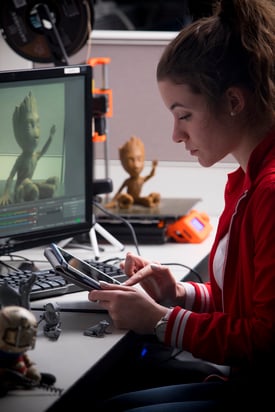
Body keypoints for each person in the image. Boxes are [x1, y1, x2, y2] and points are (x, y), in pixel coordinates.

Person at [88, 0, 275, 410]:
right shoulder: (246, 180)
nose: (175, 135)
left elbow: (262, 339)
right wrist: (178, 293)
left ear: (234, 102)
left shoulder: (269, 193)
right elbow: (246, 305)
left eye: (184, 115)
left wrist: (159, 321)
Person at [0, 91, 58, 206]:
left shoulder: (35, 156)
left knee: (53, 184)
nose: (36, 133)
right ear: (19, 133)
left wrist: (50, 137)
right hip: (21, 189)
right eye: (29, 126)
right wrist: (6, 193)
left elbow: (44, 151)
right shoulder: (21, 159)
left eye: (37, 124)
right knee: (33, 189)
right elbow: (11, 176)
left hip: (30, 185)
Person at [104, 135, 160, 209]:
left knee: (148, 200)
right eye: (131, 160)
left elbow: (151, 175)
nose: (136, 165)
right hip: (129, 199)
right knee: (128, 199)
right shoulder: (128, 181)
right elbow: (119, 191)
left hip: (138, 199)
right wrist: (113, 201)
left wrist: (154, 167)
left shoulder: (141, 179)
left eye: (139, 159)